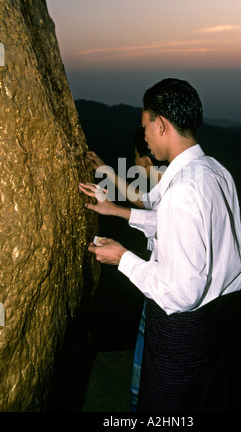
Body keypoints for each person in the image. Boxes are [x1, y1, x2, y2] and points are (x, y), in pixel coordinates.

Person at [80, 78, 241, 412]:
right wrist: (119, 211)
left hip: (179, 331)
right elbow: (181, 228)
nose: (143, 136)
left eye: (145, 127)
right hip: (213, 323)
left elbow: (180, 292)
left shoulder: (183, 191)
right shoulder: (212, 170)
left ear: (161, 124)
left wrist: (122, 258)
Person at [81, 128, 166, 411]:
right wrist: (107, 172)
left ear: (146, 161)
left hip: (168, 302)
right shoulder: (171, 185)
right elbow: (145, 204)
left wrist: (123, 257)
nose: (134, 166)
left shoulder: (179, 191)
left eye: (135, 160)